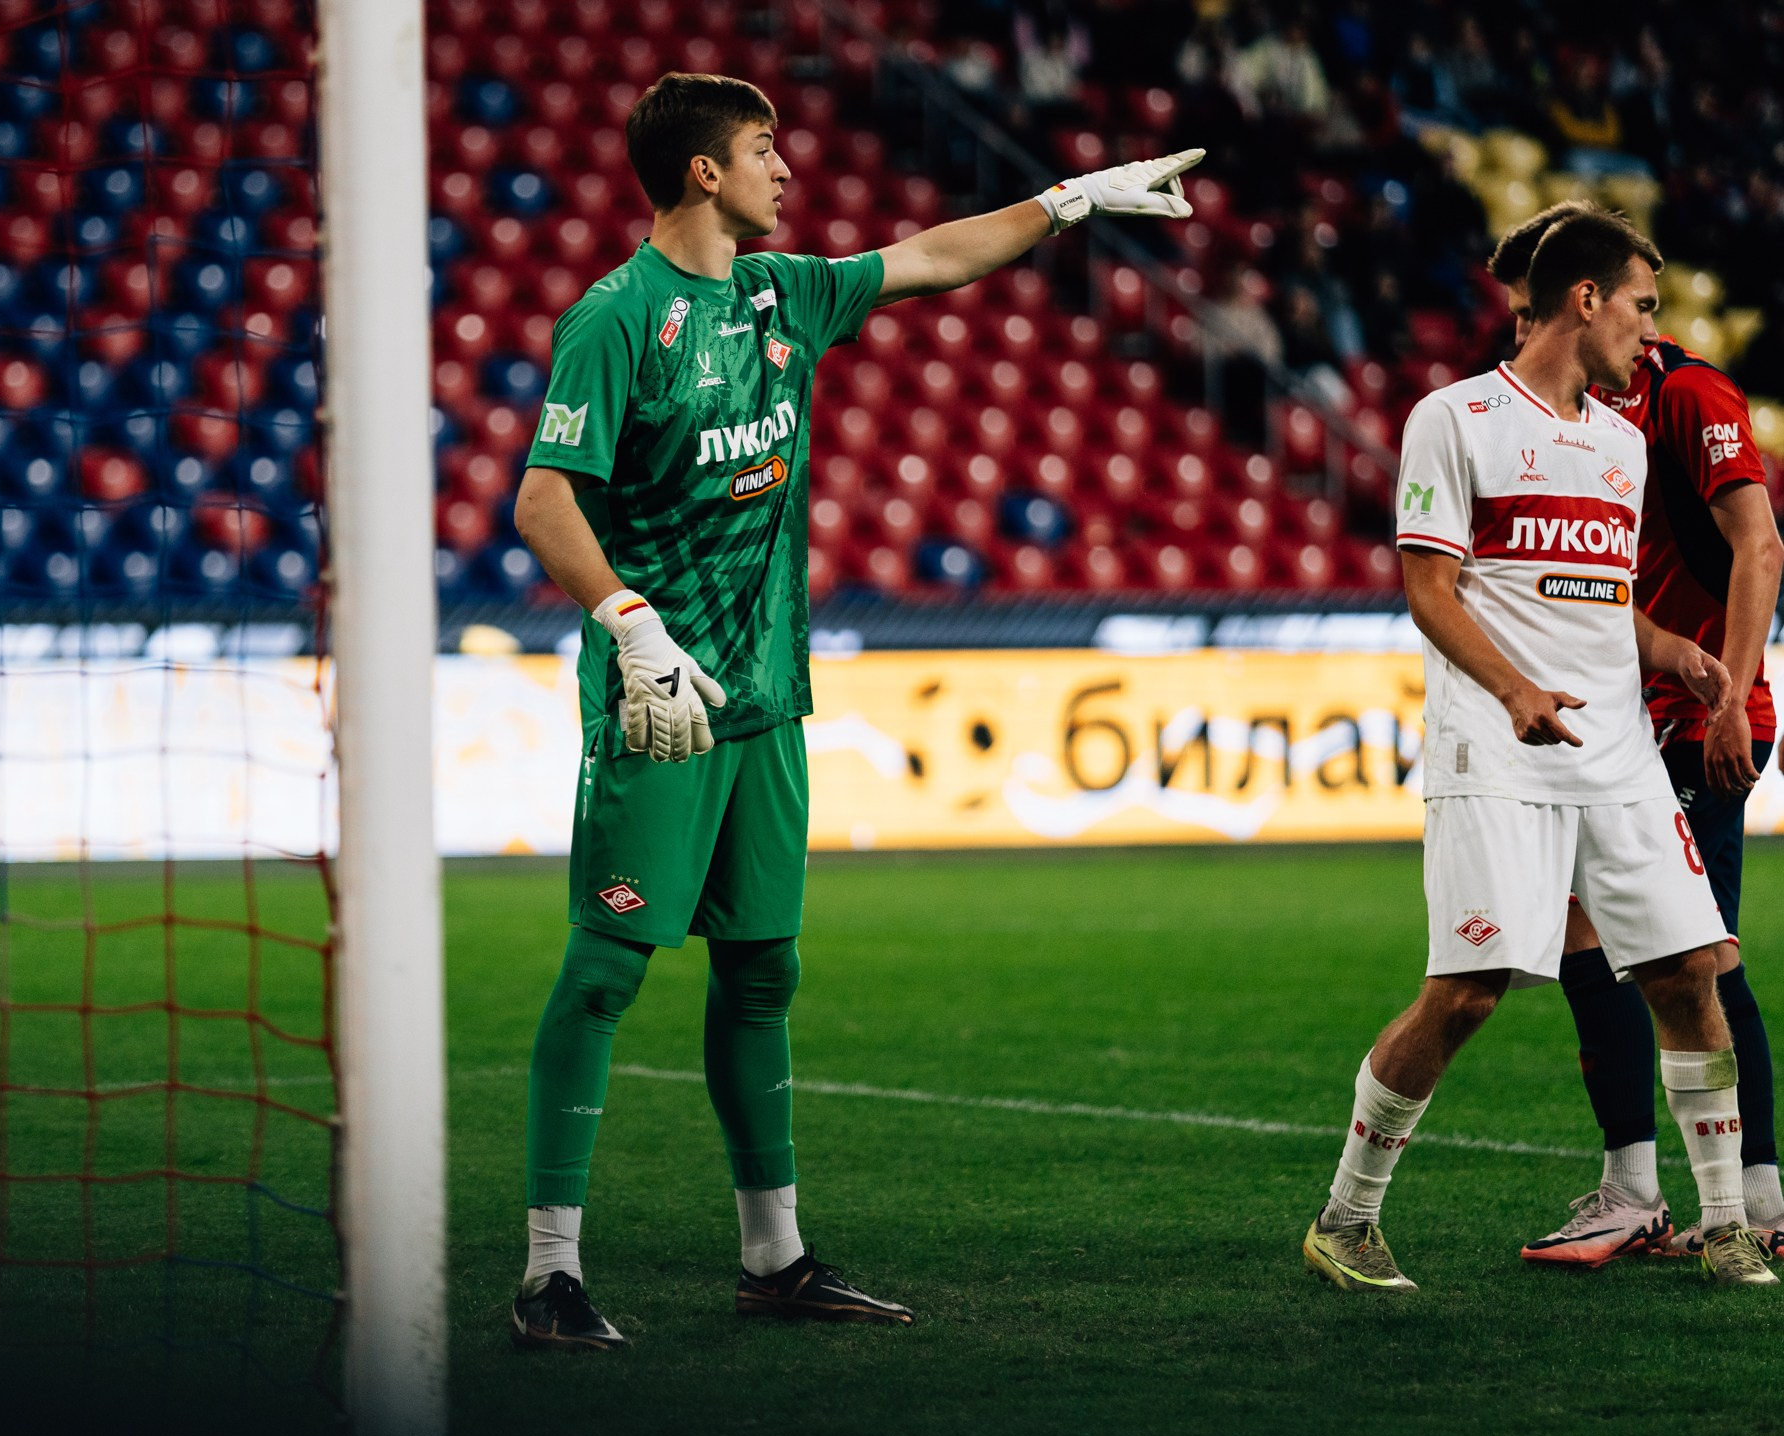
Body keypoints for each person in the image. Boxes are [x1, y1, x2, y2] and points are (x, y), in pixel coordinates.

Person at [507, 69, 1199, 1348]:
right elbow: (545, 502)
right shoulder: (616, 317)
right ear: (703, 171)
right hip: (663, 700)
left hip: (766, 700)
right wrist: (629, 625)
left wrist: (1070, 200)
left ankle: (773, 1258)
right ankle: (549, 1274)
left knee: (763, 968)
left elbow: (933, 256)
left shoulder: (784, 293)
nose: (787, 168)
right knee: (605, 974)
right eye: (764, 148)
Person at [1300, 208, 1777, 1291]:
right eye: (1641, 307)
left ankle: (1721, 1226)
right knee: (1466, 992)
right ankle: (1345, 1218)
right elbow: (1429, 589)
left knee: (1690, 974)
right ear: (1585, 300)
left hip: (1615, 752)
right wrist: (1513, 689)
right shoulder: (1453, 418)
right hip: (1497, 746)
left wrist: (1678, 651)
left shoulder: (1618, 443)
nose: (1648, 336)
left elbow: (1598, 601)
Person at [1483, 202, 1784, 1267]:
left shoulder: (1684, 393)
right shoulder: (1561, 419)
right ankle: (1631, 1189)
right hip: (1616, 721)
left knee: (1698, 960)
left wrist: (1725, 695)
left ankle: (1758, 1197)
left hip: (1698, 717)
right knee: (1584, 949)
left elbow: (1758, 544)